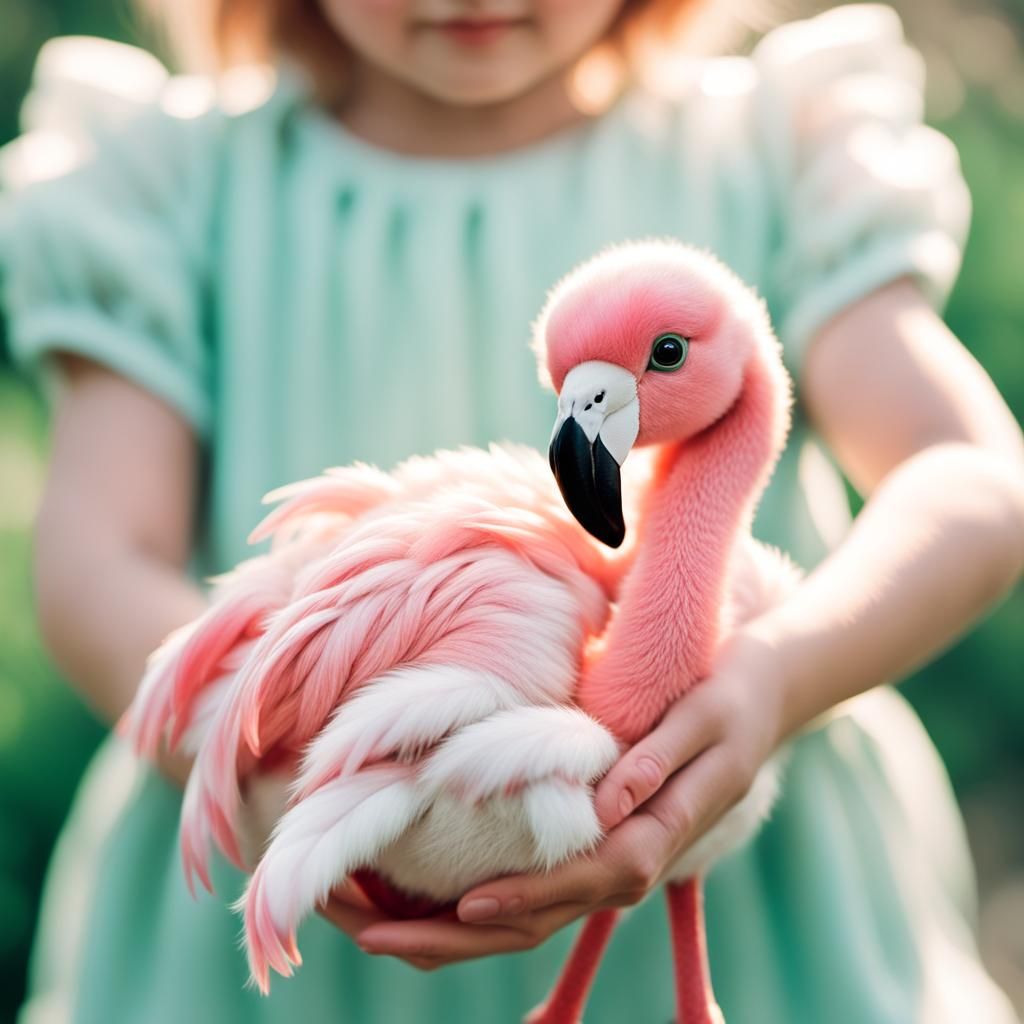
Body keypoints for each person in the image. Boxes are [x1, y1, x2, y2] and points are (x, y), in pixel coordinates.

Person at [2, 1, 1022, 1021]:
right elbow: (101, 559)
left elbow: (967, 476)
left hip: (767, 910)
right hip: (286, 913)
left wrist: (776, 674)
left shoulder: (772, 152)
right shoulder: (178, 187)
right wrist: (268, 769)